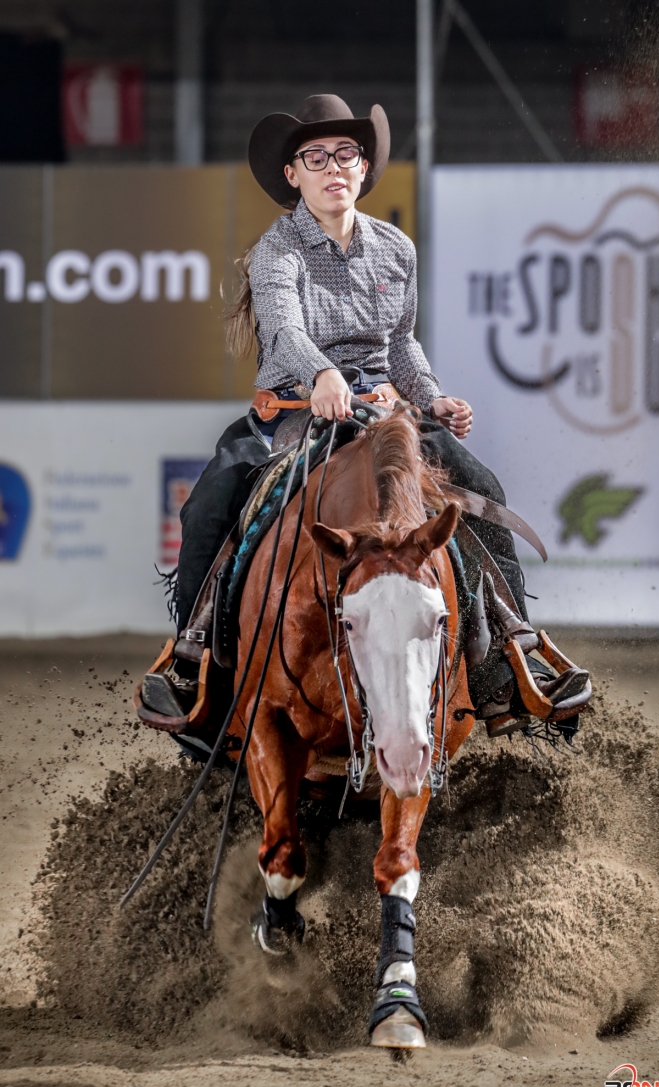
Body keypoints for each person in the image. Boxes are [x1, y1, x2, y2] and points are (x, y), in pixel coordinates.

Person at [142, 95, 586, 722]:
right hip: (295, 413)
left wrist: (431, 397)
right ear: (292, 174)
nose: (333, 167)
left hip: (385, 414)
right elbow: (286, 328)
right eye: (315, 156)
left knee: (481, 487)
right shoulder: (278, 251)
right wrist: (321, 373)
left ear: (363, 165)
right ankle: (193, 659)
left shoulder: (395, 248)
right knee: (212, 501)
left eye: (345, 153)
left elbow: (401, 342)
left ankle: (510, 658)